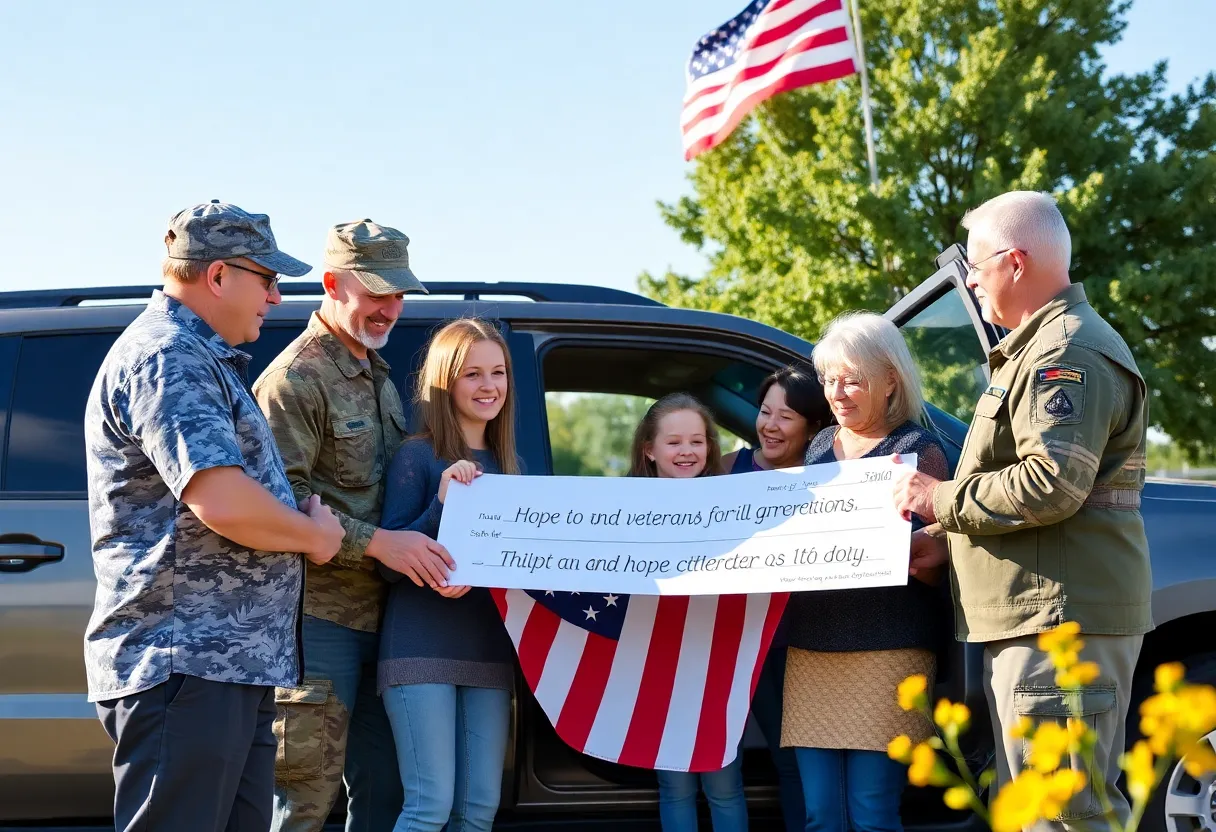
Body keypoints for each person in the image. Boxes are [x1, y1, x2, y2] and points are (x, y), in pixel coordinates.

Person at [83, 200, 346, 832]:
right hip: (187, 665)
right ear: (219, 275)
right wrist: (314, 536)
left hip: (223, 666)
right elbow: (220, 500)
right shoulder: (168, 356)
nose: (278, 298)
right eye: (268, 278)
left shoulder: (198, 357)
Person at [893, 191, 1151, 831]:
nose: (972, 283)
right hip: (1044, 615)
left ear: (1014, 261)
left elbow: (1051, 484)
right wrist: (947, 542)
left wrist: (938, 498)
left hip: (1059, 621)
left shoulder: (1066, 353)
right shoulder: (1042, 348)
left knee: (1067, 815)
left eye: (976, 267)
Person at [253, 219, 456, 831]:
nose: (389, 307)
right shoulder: (294, 380)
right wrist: (383, 545)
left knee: (383, 794)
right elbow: (280, 504)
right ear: (332, 283)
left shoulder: (379, 376)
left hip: (388, 620)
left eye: (397, 294)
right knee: (303, 804)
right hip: (319, 622)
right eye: (375, 292)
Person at [781, 313, 951, 832]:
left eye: (852, 378)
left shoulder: (918, 451)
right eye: (830, 379)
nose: (837, 392)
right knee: (820, 817)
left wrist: (922, 553)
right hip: (811, 649)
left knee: (873, 814)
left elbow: (938, 564)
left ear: (890, 379)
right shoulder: (816, 448)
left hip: (889, 651)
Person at [377, 318, 522, 832]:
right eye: (473, 375)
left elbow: (516, 567)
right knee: (429, 808)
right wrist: (443, 503)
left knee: (478, 812)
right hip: (420, 651)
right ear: (446, 382)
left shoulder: (511, 467)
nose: (489, 386)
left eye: (498, 373)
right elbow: (389, 564)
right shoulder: (416, 456)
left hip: (487, 652)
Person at [632, 393, 749, 832]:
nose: (687, 452)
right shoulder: (620, 510)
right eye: (674, 442)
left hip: (718, 660)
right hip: (656, 661)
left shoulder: (734, 505)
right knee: (675, 787)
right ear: (649, 449)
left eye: (697, 442)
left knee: (724, 785)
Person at [722, 365, 831, 832]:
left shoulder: (831, 480)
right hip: (736, 635)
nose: (769, 425)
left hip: (796, 639)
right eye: (765, 412)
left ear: (812, 426)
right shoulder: (729, 467)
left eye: (785, 416)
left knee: (794, 761)